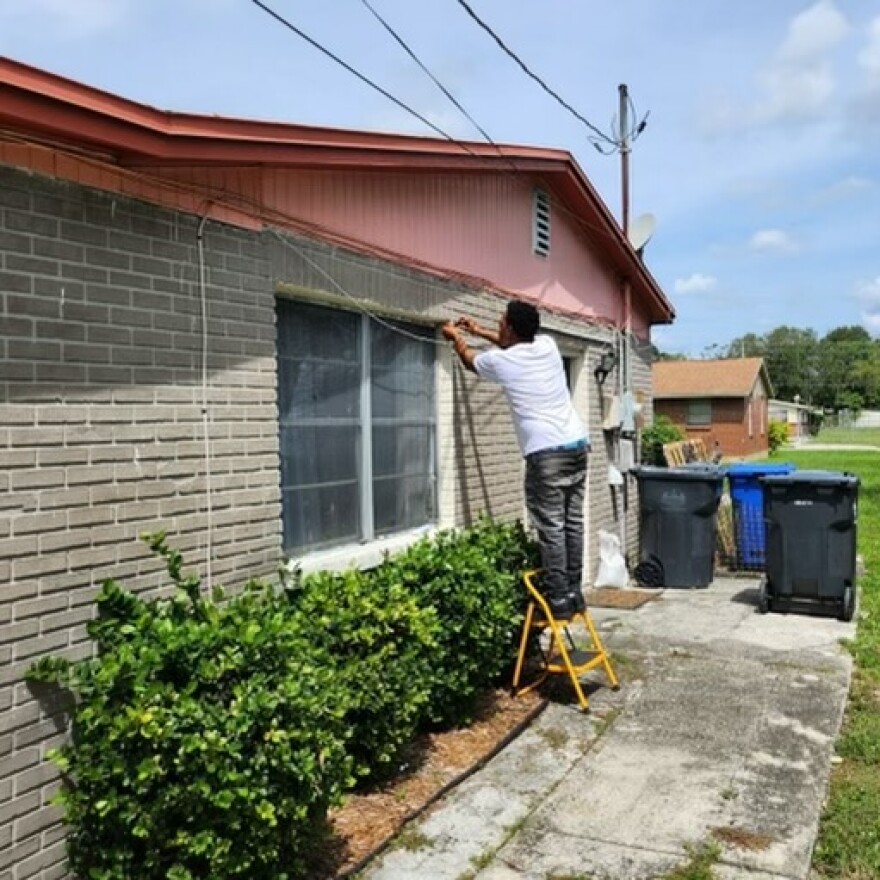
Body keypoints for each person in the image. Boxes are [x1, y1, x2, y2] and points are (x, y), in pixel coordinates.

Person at [442, 300, 589, 618]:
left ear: (509, 327)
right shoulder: (548, 346)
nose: (497, 325)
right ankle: (574, 592)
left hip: (546, 453)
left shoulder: (501, 362)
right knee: (572, 522)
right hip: (576, 446)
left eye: (499, 322)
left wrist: (457, 337)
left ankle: (558, 599)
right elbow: (511, 349)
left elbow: (471, 361)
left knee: (551, 525)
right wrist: (479, 330)